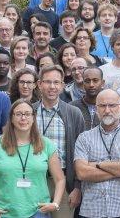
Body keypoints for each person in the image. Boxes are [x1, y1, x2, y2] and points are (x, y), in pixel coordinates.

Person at [0, 99, 65, 218]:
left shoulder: (46, 145)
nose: (23, 118)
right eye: (18, 114)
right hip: (4, 213)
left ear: (33, 117)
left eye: (27, 114)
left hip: (38, 212)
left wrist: (55, 203)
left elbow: (60, 179)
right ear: (11, 118)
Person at [74, 89, 120, 218]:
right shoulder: (84, 138)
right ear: (96, 109)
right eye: (102, 106)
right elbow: (82, 173)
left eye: (112, 105)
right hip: (92, 210)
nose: (107, 110)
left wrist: (97, 164)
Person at [33, 65, 86, 217]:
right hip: (33, 181)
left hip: (63, 182)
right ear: (39, 84)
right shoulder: (29, 111)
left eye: (56, 82)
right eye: (47, 82)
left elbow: (81, 153)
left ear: (62, 86)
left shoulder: (73, 113)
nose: (52, 86)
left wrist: (77, 187)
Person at [70, 66, 105, 130]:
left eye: (95, 80)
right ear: (83, 83)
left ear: (102, 83)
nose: (91, 85)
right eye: (87, 81)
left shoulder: (109, 107)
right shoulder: (72, 107)